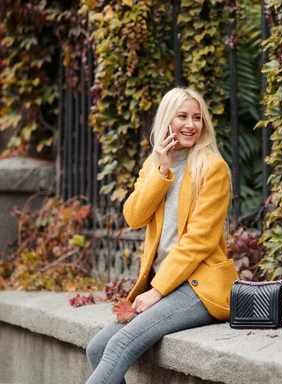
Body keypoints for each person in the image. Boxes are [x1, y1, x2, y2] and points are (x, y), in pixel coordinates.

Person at [85, 87, 239, 384]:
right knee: (97, 347)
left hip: (198, 286)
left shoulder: (212, 168)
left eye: (197, 117)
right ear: (167, 120)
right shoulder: (154, 164)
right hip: (166, 284)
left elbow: (199, 240)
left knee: (118, 345)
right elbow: (133, 216)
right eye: (182, 116)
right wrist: (161, 171)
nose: (191, 125)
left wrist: (157, 290)